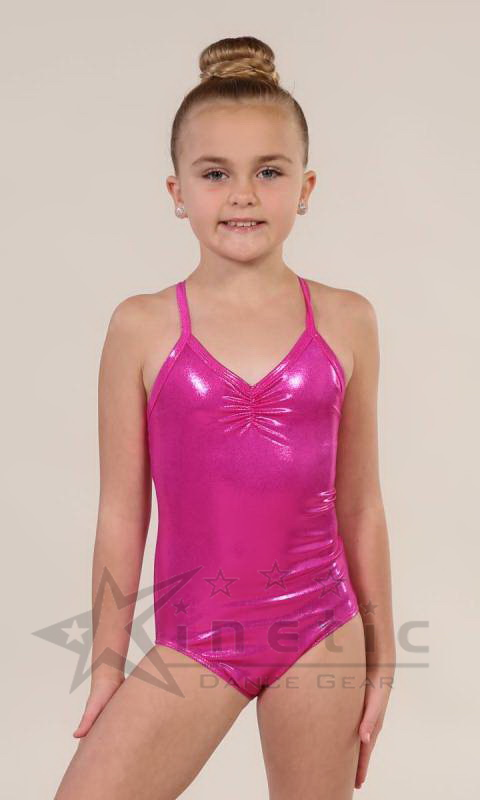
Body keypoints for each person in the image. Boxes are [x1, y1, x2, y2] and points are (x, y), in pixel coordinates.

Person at [54, 35, 395, 800]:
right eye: (216, 174)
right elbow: (121, 512)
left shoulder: (348, 321)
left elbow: (362, 505)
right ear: (177, 191)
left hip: (319, 630)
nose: (243, 195)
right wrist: (106, 667)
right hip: (197, 639)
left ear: (305, 186)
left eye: (268, 172)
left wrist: (382, 660)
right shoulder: (142, 327)